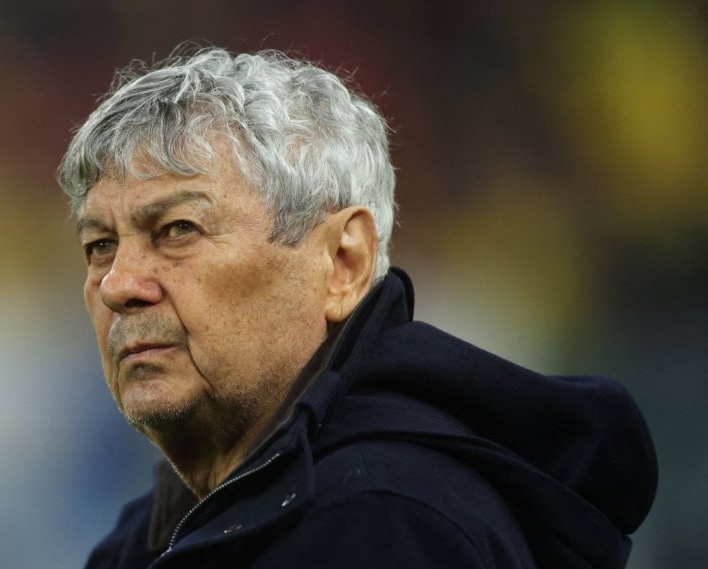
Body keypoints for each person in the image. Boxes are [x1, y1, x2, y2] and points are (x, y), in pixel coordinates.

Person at [56, 47, 657, 569]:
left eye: (178, 229)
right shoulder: (158, 531)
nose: (118, 284)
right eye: (99, 245)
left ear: (343, 264)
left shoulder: (386, 525)